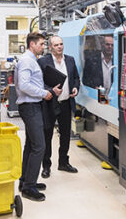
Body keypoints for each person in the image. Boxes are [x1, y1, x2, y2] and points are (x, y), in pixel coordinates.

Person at [15, 32, 60, 202]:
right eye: (41, 44)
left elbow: (32, 83)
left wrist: (49, 91)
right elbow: (25, 84)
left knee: (31, 145)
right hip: (30, 107)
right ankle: (29, 188)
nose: (43, 47)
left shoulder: (31, 60)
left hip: (33, 106)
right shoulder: (27, 60)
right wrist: (44, 93)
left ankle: (25, 180)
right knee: (39, 146)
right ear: (32, 44)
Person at [37, 35, 80, 178]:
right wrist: (50, 90)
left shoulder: (70, 60)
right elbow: (38, 83)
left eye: (61, 44)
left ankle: (63, 162)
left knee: (66, 135)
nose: (60, 47)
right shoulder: (43, 62)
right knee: (47, 135)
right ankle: (46, 166)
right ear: (50, 47)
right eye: (56, 45)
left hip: (66, 103)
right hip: (49, 104)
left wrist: (75, 88)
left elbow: (75, 78)